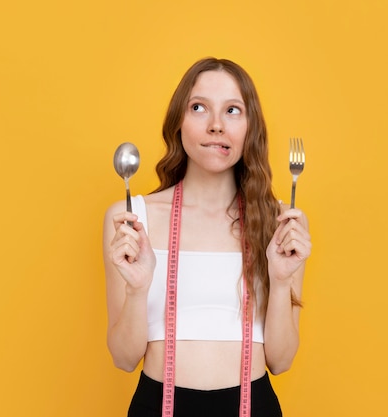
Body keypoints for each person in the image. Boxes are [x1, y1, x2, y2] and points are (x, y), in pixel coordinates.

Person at [103, 57, 311, 416]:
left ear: (250, 128)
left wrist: (280, 281)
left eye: (233, 110)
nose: (216, 125)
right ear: (178, 123)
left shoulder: (280, 223)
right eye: (199, 108)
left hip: (253, 405)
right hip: (159, 404)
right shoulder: (132, 220)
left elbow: (281, 360)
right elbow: (124, 359)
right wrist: (138, 290)